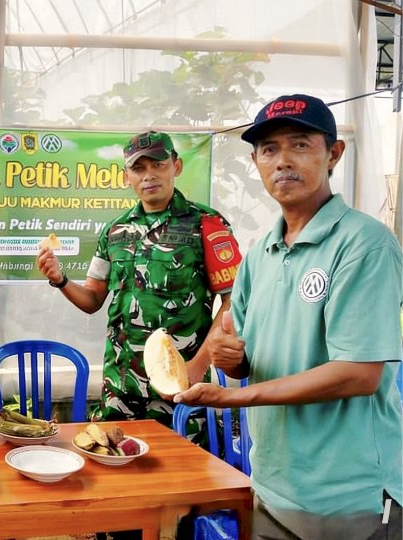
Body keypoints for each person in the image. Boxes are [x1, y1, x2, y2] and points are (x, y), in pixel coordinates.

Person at [176, 94, 402, 539]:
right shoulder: (260, 253)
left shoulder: (364, 244)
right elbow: (247, 359)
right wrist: (229, 359)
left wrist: (234, 397)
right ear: (256, 162)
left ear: (333, 154)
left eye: (300, 144)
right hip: (273, 485)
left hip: (348, 497)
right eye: (269, 149)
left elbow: (358, 374)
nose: (282, 161)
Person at [36, 130, 241, 428]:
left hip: (178, 385)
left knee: (180, 458)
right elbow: (92, 299)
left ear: (176, 167)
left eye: (158, 165)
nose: (149, 176)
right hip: (120, 385)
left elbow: (233, 301)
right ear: (126, 176)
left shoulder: (206, 223)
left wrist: (197, 366)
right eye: (139, 168)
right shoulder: (114, 231)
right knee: (116, 454)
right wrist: (60, 279)